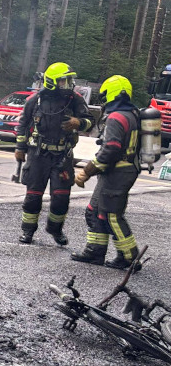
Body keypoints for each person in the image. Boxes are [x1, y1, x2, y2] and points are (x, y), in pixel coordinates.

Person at [14, 62, 93, 245]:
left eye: (69, 80)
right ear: (52, 82)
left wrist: (78, 122)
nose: (69, 84)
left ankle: (55, 230)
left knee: (61, 198)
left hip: (62, 156)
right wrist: (20, 148)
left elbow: (90, 121)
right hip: (37, 155)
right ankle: (28, 231)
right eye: (64, 81)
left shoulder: (75, 99)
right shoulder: (35, 100)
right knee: (33, 197)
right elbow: (22, 124)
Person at [71, 75, 142, 270]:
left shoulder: (116, 117)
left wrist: (86, 171)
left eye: (104, 95)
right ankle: (95, 252)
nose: (103, 100)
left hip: (119, 172)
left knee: (111, 215)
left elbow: (110, 149)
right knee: (95, 211)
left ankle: (130, 257)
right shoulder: (131, 113)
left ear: (112, 93)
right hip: (119, 171)